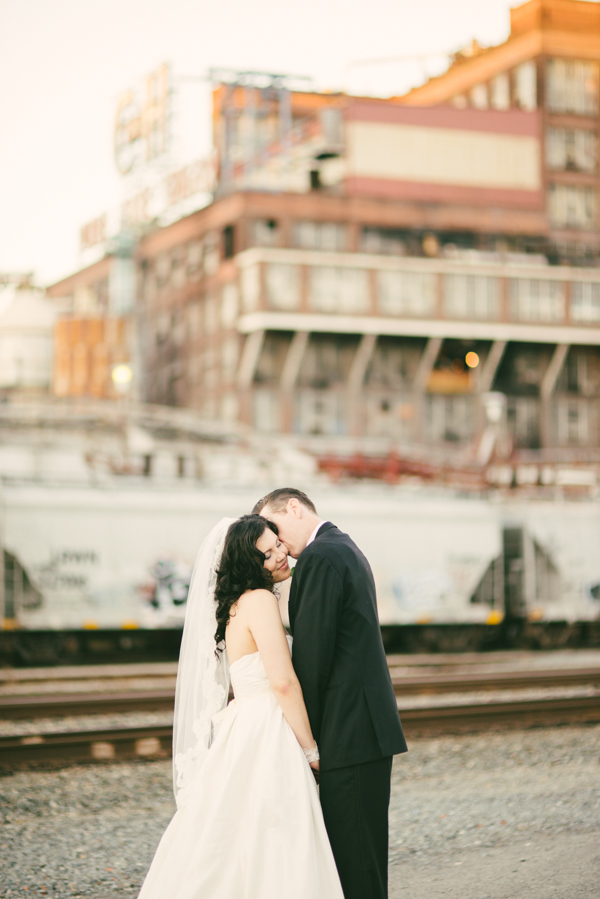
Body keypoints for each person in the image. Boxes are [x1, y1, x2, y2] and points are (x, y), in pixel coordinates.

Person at [137, 514, 343, 899]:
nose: (281, 555)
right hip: (268, 728)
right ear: (251, 565)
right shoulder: (261, 600)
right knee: (276, 834)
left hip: (242, 727)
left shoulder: (235, 604)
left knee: (228, 835)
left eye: (278, 545)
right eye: (268, 554)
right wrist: (312, 750)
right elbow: (282, 683)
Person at [254, 488, 407, 899]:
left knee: (353, 863)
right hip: (363, 729)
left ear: (294, 507)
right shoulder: (343, 546)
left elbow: (313, 660)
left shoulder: (321, 558)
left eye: (277, 529)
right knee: (363, 857)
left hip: (347, 734)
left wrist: (307, 744)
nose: (279, 542)